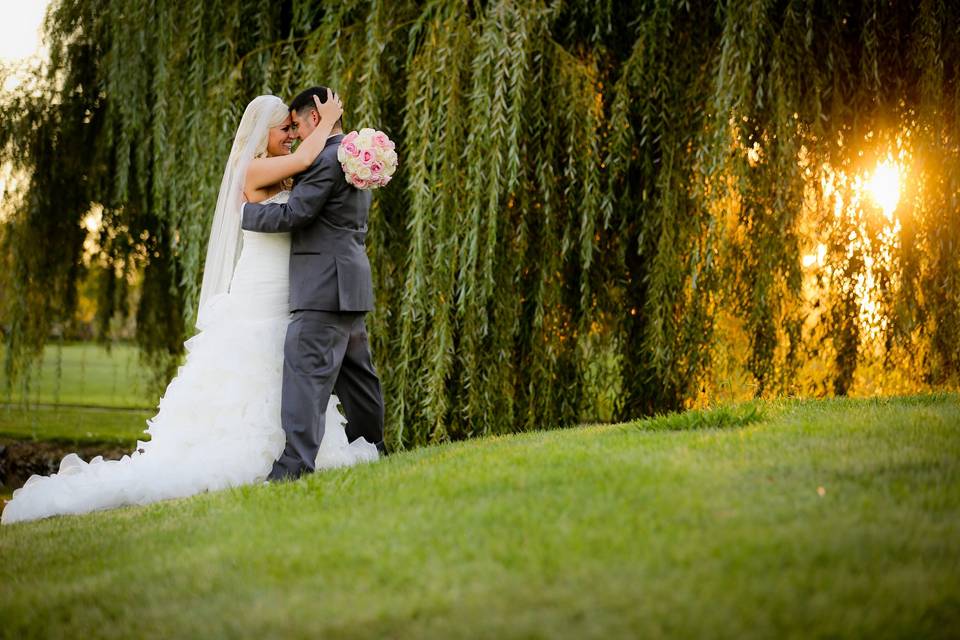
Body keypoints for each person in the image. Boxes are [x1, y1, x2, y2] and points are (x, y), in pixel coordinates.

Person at [1, 91, 378, 526]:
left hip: (288, 293)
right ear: (262, 133)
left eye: (295, 128)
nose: (293, 136)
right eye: (285, 128)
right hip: (259, 292)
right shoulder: (258, 168)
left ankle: (296, 455)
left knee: (290, 372)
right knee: (259, 366)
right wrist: (329, 121)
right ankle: (263, 458)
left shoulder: (291, 174)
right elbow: (311, 158)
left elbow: (310, 195)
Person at [242, 86, 386, 481]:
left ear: (314, 118)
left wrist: (248, 215)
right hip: (349, 282)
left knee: (306, 373)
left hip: (324, 286)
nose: (296, 135)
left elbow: (297, 213)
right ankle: (372, 447)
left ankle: (294, 466)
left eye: (298, 125)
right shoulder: (355, 156)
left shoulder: (325, 159)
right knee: (358, 378)